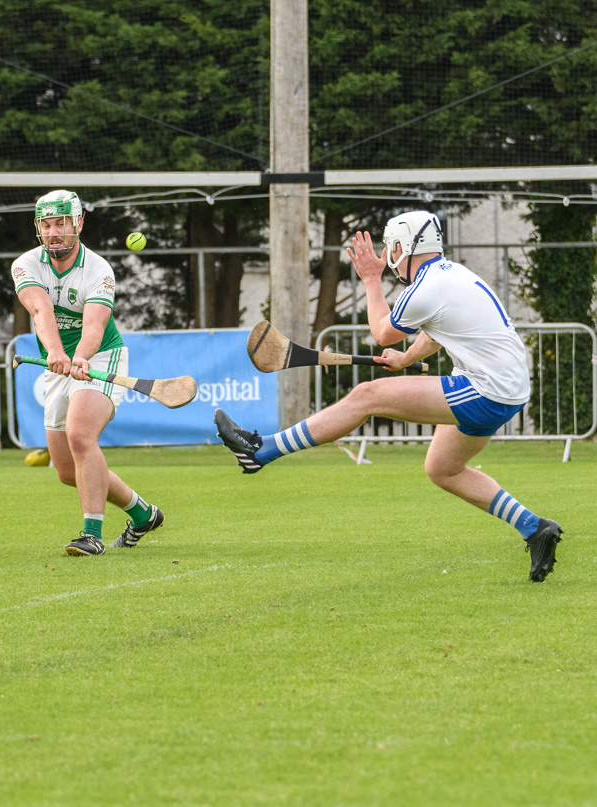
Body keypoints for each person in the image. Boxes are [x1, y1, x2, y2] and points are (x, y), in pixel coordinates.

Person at [213, 210, 562, 582]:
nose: (387, 254)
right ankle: (534, 527)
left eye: (390, 247)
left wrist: (370, 279)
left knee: (367, 395)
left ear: (402, 247)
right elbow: (433, 332)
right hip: (506, 387)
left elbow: (381, 332)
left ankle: (261, 450)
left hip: (487, 389)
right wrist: (408, 357)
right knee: (443, 469)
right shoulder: (451, 275)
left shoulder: (426, 288)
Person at [12, 190, 164, 556]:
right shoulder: (26, 264)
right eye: (46, 225)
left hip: (100, 357)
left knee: (81, 436)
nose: (53, 232)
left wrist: (80, 356)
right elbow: (40, 311)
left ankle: (91, 534)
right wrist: (57, 353)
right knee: (67, 472)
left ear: (78, 223)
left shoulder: (99, 271)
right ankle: (143, 514)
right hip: (58, 361)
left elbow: (95, 326)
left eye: (61, 224)